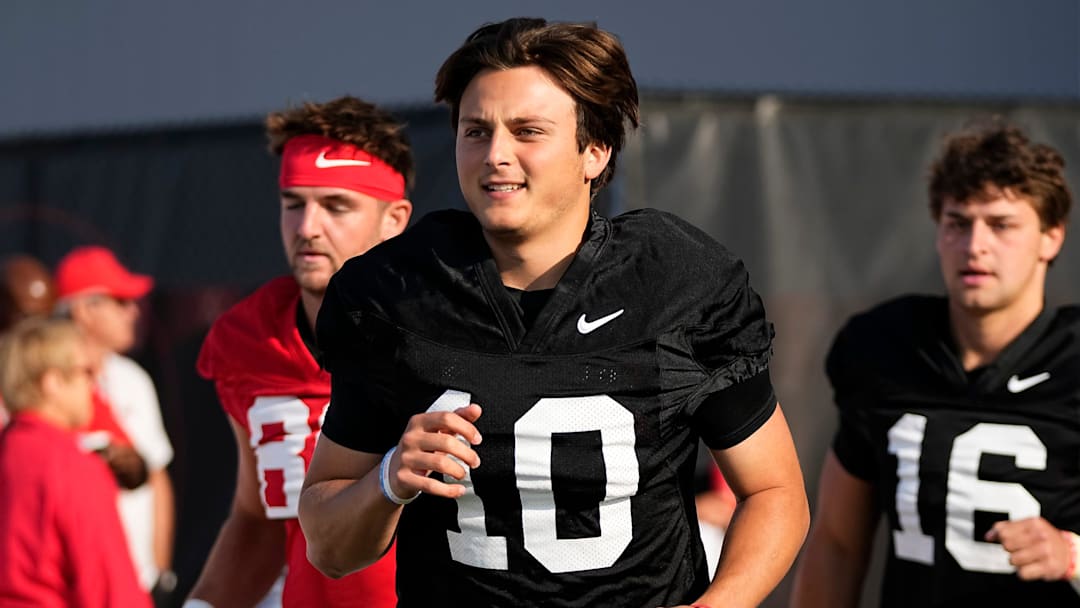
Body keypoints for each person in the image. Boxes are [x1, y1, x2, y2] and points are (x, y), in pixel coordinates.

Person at [301, 17, 808, 608]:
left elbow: (774, 491)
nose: (496, 155)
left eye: (527, 131)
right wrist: (388, 477)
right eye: (476, 131)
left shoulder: (674, 280)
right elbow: (331, 551)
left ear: (595, 150)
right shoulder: (395, 291)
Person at [791, 121, 1080, 607]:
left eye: (1002, 224)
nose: (975, 245)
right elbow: (838, 543)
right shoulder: (885, 348)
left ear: (1050, 237)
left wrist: (1073, 554)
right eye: (958, 223)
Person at [187, 95, 413, 608]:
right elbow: (260, 518)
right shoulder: (246, 341)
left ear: (393, 219)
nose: (307, 227)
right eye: (294, 203)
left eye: (336, 205)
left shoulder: (449, 332)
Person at [0, 318, 151, 607]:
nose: (94, 384)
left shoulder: (10, 451)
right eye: (86, 372)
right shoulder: (71, 467)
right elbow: (112, 592)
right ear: (53, 382)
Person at [55, 245, 177, 595]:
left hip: (134, 583)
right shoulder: (39, 382)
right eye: (120, 302)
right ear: (83, 310)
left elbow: (156, 476)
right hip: (68, 586)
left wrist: (160, 571)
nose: (133, 312)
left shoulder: (132, 379)